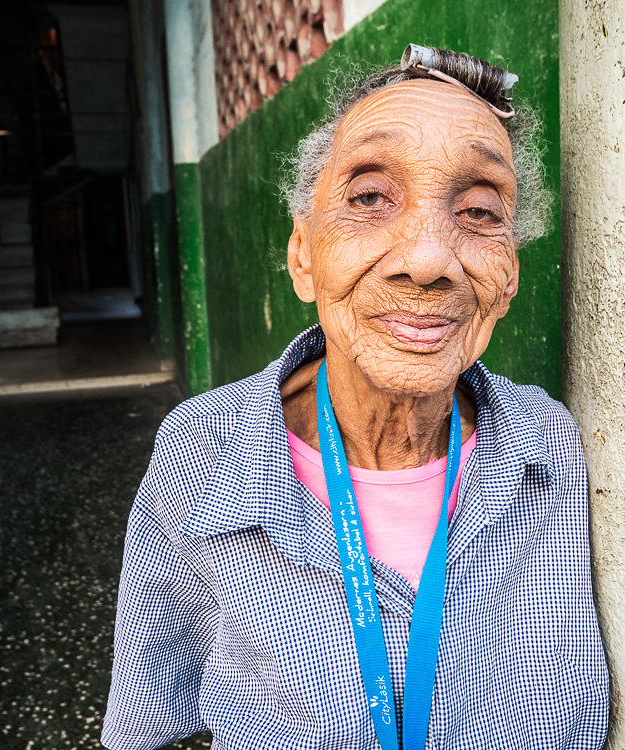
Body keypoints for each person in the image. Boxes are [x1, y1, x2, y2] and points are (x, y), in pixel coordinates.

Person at [101, 45, 609, 750]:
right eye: (368, 197)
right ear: (302, 254)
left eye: (478, 210)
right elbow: (147, 714)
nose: (427, 260)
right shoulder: (202, 453)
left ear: (510, 273)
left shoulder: (552, 450)